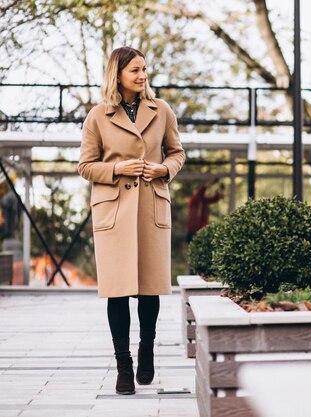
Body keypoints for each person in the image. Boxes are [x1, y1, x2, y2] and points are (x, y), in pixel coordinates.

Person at [77, 46, 185, 395]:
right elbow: (85, 166)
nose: (142, 76)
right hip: (115, 209)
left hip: (151, 204)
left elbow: (177, 152)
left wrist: (164, 169)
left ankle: (147, 350)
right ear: (118, 74)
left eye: (144, 69)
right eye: (135, 70)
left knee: (150, 286)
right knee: (118, 290)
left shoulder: (161, 110)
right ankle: (123, 366)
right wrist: (116, 169)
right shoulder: (98, 115)